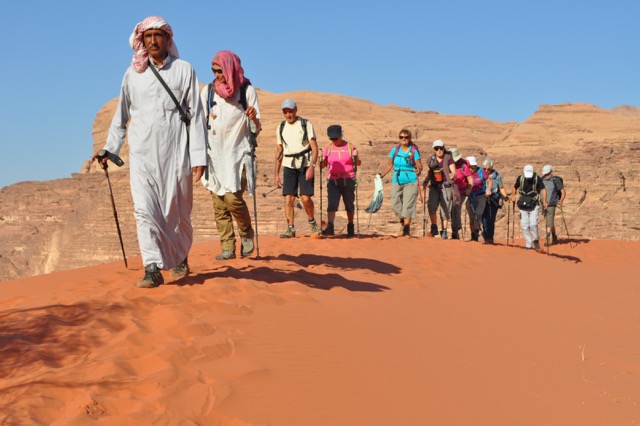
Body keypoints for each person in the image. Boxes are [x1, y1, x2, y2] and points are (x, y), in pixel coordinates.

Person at [93, 16, 207, 288]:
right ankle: (152, 267)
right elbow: (121, 117)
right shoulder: (133, 74)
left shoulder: (184, 70)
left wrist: (199, 156)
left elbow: (197, 115)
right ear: (140, 41)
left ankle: (179, 255)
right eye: (148, 36)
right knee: (144, 211)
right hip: (142, 155)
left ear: (168, 39)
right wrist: (109, 148)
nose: (153, 41)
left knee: (176, 212)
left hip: (176, 155)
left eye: (158, 35)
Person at [200, 50, 261, 260]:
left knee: (232, 199)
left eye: (221, 71)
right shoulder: (207, 92)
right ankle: (227, 247)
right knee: (218, 203)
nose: (217, 75)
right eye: (214, 71)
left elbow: (256, 127)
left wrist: (253, 118)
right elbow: (199, 123)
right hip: (214, 156)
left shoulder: (246, 91)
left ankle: (246, 233)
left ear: (231, 69)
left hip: (237, 154)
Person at [274, 99, 320, 238]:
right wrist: (276, 174)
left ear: (296, 110)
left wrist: (312, 166)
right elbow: (279, 151)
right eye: (285, 112)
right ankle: (290, 228)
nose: (288, 114)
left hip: (305, 165)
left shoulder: (305, 124)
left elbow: (314, 148)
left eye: (290, 111)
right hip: (288, 166)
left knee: (306, 198)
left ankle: (312, 223)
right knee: (289, 199)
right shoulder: (281, 127)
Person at [380, 129, 423, 236]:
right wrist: (381, 175)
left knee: (408, 205)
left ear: (409, 138)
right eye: (401, 137)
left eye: (406, 137)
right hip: (397, 180)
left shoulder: (413, 151)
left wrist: (419, 169)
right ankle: (403, 222)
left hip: (411, 181)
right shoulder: (395, 150)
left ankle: (406, 229)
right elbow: (389, 165)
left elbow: (419, 165)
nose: (403, 139)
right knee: (395, 204)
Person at [320, 125, 361, 237]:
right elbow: (323, 165)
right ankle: (330, 227)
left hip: (348, 179)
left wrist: (355, 157)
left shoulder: (350, 147)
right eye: (331, 139)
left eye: (336, 138)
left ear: (341, 135)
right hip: (333, 180)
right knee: (332, 204)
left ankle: (351, 226)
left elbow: (358, 163)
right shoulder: (328, 148)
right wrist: (320, 159)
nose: (334, 141)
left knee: (349, 204)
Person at [510, 165, 547, 250]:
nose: (528, 178)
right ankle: (528, 243)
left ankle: (536, 240)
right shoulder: (521, 178)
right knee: (524, 225)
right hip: (523, 204)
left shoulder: (537, 179)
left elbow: (543, 189)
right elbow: (514, 187)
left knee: (533, 223)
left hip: (534, 204)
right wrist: (513, 195)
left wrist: (544, 201)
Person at [424, 140, 456, 239]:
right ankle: (434, 226)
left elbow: (453, 170)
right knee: (431, 206)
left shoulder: (448, 158)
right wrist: (426, 181)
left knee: (445, 209)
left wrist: (453, 174)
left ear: (443, 148)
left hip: (446, 187)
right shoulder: (432, 159)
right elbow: (430, 172)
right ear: (434, 149)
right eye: (436, 148)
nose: (439, 150)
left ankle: (444, 231)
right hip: (434, 186)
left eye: (440, 148)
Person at [481, 157, 509, 244]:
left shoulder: (497, 176)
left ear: (492, 168)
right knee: (484, 219)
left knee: (491, 219)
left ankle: (490, 237)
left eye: (488, 169)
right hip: (483, 198)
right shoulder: (481, 174)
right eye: (484, 169)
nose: (486, 170)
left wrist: (505, 196)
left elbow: (501, 187)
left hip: (494, 199)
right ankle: (485, 235)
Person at [465, 156, 492, 242]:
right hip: (470, 196)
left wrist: (488, 189)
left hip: (481, 196)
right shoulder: (465, 172)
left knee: (478, 214)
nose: (472, 169)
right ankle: (473, 234)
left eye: (473, 167)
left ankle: (475, 234)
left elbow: (489, 182)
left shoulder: (481, 171)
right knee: (471, 217)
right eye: (470, 167)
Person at [449, 147, 473, 240]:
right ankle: (455, 229)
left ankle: (456, 230)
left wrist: (469, 189)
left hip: (461, 191)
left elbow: (470, 179)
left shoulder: (463, 165)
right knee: (451, 210)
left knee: (456, 208)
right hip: (450, 189)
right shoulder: (447, 164)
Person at [541, 164, 566, 246]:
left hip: (551, 204)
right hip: (543, 203)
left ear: (550, 172)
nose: (546, 175)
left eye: (547, 173)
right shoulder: (541, 180)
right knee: (548, 221)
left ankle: (548, 239)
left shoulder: (555, 180)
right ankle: (554, 237)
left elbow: (562, 191)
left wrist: (561, 200)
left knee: (549, 222)